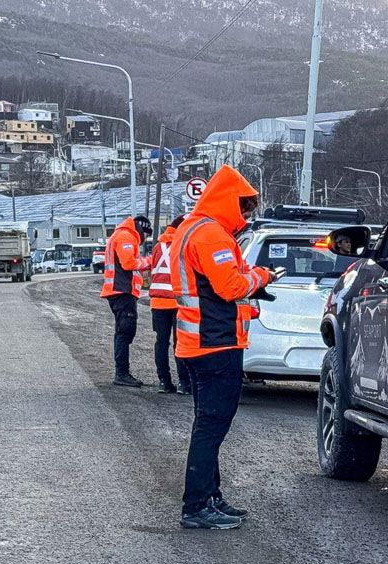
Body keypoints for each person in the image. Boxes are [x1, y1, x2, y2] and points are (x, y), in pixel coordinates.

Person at [169, 165, 275, 530]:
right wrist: (261, 276)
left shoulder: (192, 228)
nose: (246, 217)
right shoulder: (211, 235)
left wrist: (250, 284)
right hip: (215, 345)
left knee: (207, 423)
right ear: (230, 202)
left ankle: (210, 496)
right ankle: (197, 505)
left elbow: (215, 286)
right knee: (212, 426)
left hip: (197, 344)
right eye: (244, 208)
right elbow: (229, 286)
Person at [101, 215, 153, 387]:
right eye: (146, 235)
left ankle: (121, 372)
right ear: (142, 230)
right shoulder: (126, 236)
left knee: (122, 332)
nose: (144, 240)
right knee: (125, 332)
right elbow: (128, 263)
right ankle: (122, 373)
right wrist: (149, 261)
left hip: (118, 291)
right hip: (123, 292)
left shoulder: (120, 235)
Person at [149, 214, 191, 395]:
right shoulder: (183, 245)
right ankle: (184, 383)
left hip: (158, 300)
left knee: (161, 342)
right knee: (180, 343)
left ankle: (164, 382)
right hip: (178, 300)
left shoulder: (158, 247)